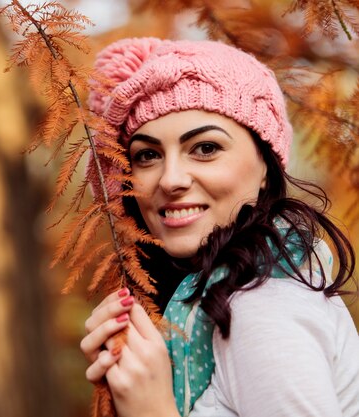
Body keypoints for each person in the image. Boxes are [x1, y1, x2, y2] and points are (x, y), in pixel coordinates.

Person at [80, 37, 359, 417]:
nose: (171, 180)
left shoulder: (263, 307)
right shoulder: (211, 297)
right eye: (147, 155)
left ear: (265, 164)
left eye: (206, 148)